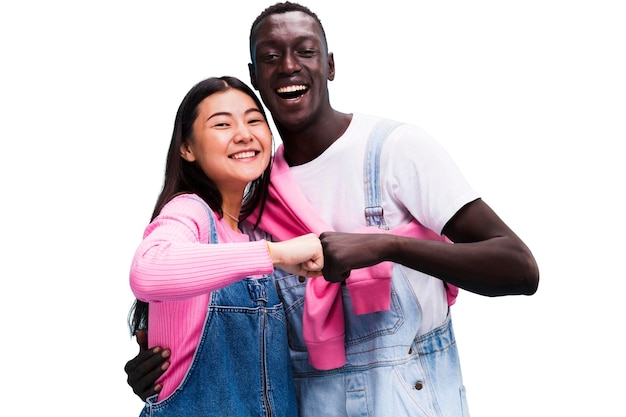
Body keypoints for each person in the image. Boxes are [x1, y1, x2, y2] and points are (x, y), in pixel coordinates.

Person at [125, 2, 540, 416]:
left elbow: (520, 269)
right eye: (270, 57)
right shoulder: (254, 205)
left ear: (330, 65)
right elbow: (212, 311)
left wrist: (387, 247)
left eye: (305, 51)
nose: (289, 66)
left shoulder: (395, 150)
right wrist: (168, 368)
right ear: (255, 76)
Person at [127, 75, 324, 417]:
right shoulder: (190, 211)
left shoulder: (253, 231)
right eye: (222, 124)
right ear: (186, 148)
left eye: (253, 120)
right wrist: (275, 255)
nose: (244, 134)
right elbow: (148, 269)